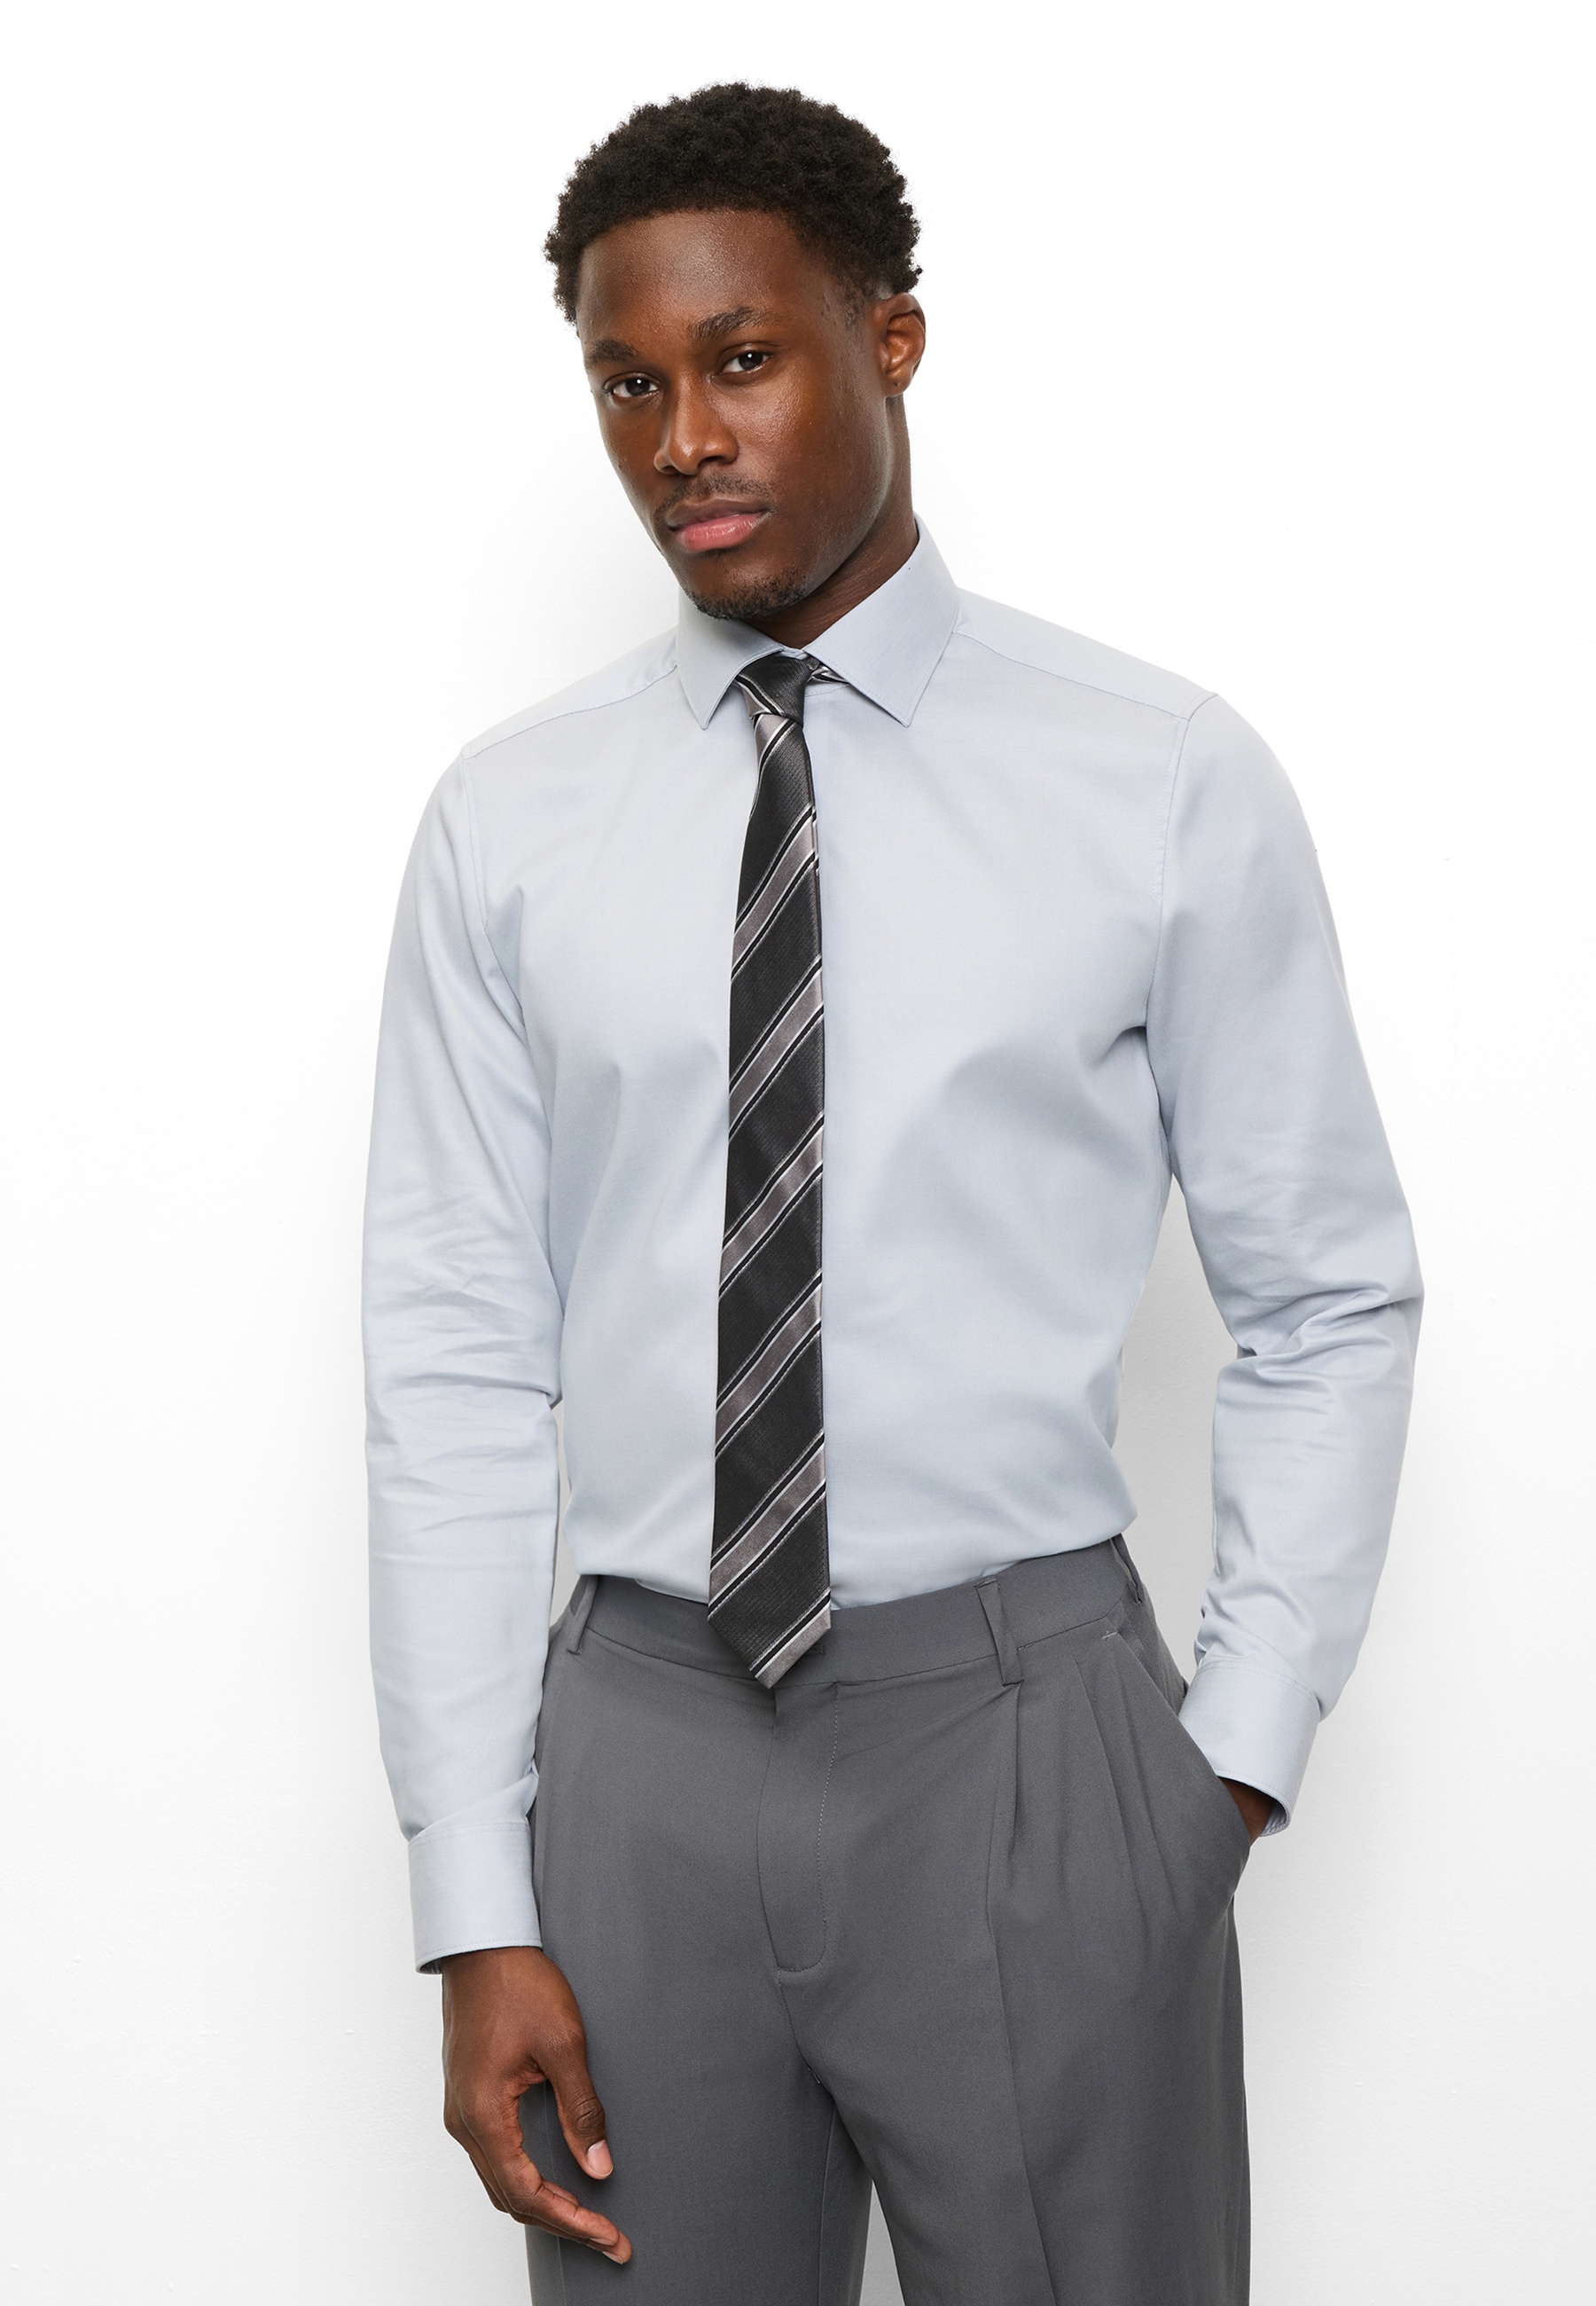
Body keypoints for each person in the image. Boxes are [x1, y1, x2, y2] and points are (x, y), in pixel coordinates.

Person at [363, 82, 1420, 2306]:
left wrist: (1220, 1769)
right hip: (639, 1750)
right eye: (628, 384)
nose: (685, 439)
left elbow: (1327, 1293)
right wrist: (477, 1893)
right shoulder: (511, 823)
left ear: (891, 339)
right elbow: (453, 1358)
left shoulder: (1157, 779)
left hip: (1027, 1741)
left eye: (743, 359)